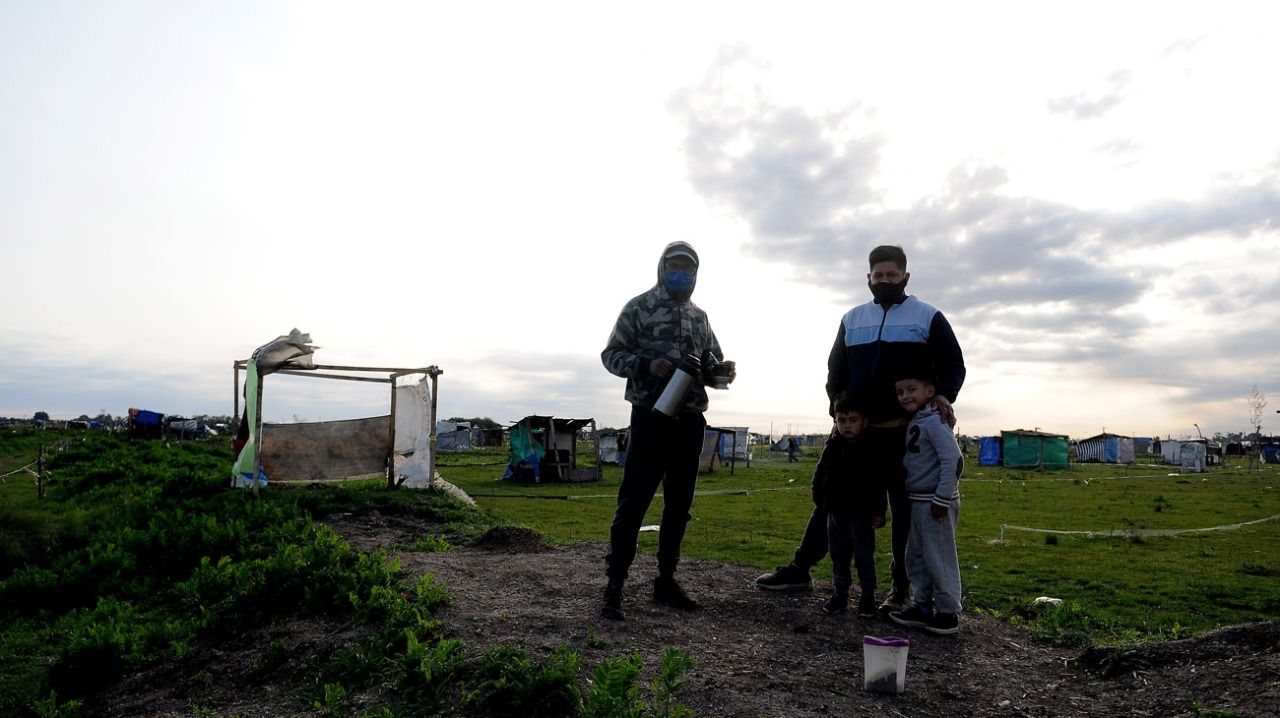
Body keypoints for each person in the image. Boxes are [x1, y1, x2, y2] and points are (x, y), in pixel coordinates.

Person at [756, 244, 965, 615]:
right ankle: (800, 569)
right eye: (878, 275)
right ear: (868, 278)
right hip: (860, 435)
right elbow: (835, 370)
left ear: (905, 277)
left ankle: (901, 589)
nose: (885, 281)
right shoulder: (852, 319)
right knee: (834, 501)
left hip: (905, 435)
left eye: (892, 275)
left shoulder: (928, 316)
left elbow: (953, 363)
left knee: (904, 515)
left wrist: (944, 395)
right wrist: (841, 413)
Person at [599, 242, 734, 621]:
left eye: (688, 268)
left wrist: (722, 373)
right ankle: (615, 585)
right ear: (662, 267)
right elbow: (611, 355)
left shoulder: (700, 317)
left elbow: (712, 365)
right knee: (633, 504)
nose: (681, 274)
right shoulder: (639, 307)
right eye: (675, 266)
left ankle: (666, 580)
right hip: (650, 418)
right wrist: (645, 364)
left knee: (679, 506)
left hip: (689, 421)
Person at [887, 369, 964, 635]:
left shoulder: (935, 421)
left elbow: (953, 460)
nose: (905, 396)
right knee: (916, 557)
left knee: (939, 557)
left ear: (929, 392)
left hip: (935, 502)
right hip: (918, 501)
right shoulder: (918, 420)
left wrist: (942, 497)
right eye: (900, 392)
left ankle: (947, 612)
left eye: (911, 389)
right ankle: (921, 607)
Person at [814, 395, 886, 617]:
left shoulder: (871, 449)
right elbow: (820, 473)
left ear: (863, 422)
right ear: (835, 421)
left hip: (862, 515)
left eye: (852, 420)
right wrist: (820, 497)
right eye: (841, 420)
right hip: (836, 513)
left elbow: (878, 482)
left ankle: (867, 598)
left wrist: (879, 512)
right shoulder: (832, 447)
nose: (847, 425)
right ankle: (840, 596)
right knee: (839, 556)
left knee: (864, 558)